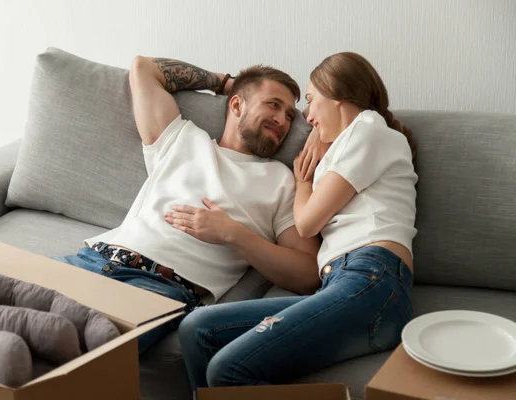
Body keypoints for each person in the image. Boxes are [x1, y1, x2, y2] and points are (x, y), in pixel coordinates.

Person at [178, 52, 417, 389]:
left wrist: (303, 180)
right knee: (197, 328)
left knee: (226, 369)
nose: (306, 115)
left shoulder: (371, 129)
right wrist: (321, 142)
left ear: (337, 96)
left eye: (310, 100)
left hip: (373, 283)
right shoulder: (348, 146)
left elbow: (307, 225)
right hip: (342, 284)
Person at [54, 56, 320, 354]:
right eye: (273, 105)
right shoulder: (182, 138)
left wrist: (233, 234)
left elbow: (309, 273)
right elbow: (144, 68)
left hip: (156, 288)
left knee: (70, 351)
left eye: (288, 115)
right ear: (236, 105)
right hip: (92, 258)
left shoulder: (280, 181)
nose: (283, 120)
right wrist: (225, 82)